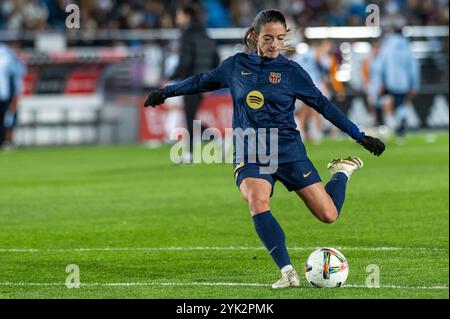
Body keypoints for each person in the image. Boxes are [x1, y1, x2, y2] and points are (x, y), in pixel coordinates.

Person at [144, 9, 385, 288]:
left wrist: (359, 135)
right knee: (257, 201)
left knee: (328, 215)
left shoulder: (292, 72)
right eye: (268, 38)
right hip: (251, 151)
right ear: (256, 36)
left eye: (280, 38)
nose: (274, 44)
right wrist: (165, 92)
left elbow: (324, 106)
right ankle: (287, 272)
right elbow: (200, 81)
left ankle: (342, 171)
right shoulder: (235, 66)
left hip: (289, 150)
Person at [169, 3, 220, 162]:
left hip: (191, 80)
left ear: (186, 16)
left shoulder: (187, 35)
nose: (177, 18)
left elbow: (186, 60)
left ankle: (190, 153)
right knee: (191, 116)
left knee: (190, 117)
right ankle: (213, 137)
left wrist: (173, 77)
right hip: (203, 81)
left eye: (178, 15)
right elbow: (215, 58)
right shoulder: (205, 34)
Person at [375, 22, 420, 142]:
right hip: (403, 82)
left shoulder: (387, 46)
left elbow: (379, 66)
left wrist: (379, 82)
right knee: (401, 105)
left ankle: (387, 127)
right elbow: (413, 67)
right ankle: (400, 129)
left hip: (388, 81)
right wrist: (414, 84)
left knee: (384, 103)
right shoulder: (407, 47)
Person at [0, 41, 26, 149]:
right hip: (5, 92)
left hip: (4, 93)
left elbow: (19, 72)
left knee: (4, 118)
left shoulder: (7, 53)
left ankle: (3, 141)